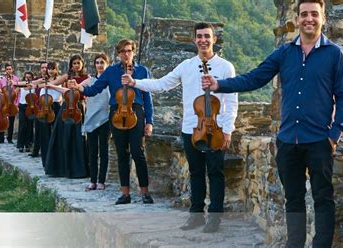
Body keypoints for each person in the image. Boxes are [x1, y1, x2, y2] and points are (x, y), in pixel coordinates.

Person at [201, 0, 343, 246]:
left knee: (323, 198)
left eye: (314, 14)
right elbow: (255, 78)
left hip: (319, 141)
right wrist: (220, 85)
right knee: (293, 198)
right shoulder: (284, 53)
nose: (309, 19)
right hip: (287, 141)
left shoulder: (335, 54)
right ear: (297, 18)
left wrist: (335, 134)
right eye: (304, 14)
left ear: (323, 18)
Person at [122, 22, 238, 233]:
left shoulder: (225, 67)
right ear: (194, 40)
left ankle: (215, 218)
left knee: (215, 172)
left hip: (217, 129)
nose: (203, 40)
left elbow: (231, 101)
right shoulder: (186, 66)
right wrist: (135, 83)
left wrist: (228, 129)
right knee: (195, 173)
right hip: (191, 128)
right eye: (199, 36)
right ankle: (196, 216)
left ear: (214, 40)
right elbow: (162, 84)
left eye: (207, 36)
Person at [72, 39, 154, 205]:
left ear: (133, 52)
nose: (126, 54)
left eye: (129, 51)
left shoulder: (142, 71)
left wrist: (149, 121)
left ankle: (145, 192)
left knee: (138, 153)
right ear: (118, 54)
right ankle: (125, 194)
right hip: (116, 113)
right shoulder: (111, 71)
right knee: (122, 153)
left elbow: (147, 97)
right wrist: (80, 88)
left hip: (136, 112)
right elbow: (95, 89)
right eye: (123, 51)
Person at [44, 55, 88, 178]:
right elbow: (51, 84)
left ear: (82, 64)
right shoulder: (66, 76)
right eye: (74, 63)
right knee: (62, 136)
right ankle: (61, 168)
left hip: (79, 108)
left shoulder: (87, 77)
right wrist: (42, 84)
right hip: (66, 107)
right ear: (71, 65)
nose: (76, 65)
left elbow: (85, 91)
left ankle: (77, 169)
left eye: (78, 63)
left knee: (78, 137)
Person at [83, 53, 111, 191]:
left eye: (102, 62)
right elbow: (75, 88)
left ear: (107, 64)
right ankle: (92, 180)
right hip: (91, 118)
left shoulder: (110, 81)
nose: (99, 65)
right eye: (97, 62)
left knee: (103, 151)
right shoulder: (90, 80)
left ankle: (101, 181)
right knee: (92, 151)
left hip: (105, 119)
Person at [0, 64, 20, 144]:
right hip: (4, 103)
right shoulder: (1, 80)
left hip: (12, 104)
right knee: (2, 121)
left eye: (10, 69)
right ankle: (1, 138)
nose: (8, 70)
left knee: (11, 122)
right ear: (5, 70)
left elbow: (18, 92)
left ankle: (9, 138)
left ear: (12, 70)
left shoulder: (16, 79)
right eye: (7, 69)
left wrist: (16, 103)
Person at [28, 62, 48, 157]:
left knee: (46, 132)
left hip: (47, 109)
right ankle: (35, 151)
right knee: (37, 130)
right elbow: (29, 84)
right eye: (42, 68)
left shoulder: (51, 80)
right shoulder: (37, 79)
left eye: (46, 67)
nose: (44, 69)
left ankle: (45, 152)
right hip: (38, 108)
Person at [16, 71, 35, 153]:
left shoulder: (34, 87)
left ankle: (28, 144)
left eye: (29, 77)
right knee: (22, 125)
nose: (28, 78)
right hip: (22, 106)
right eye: (26, 77)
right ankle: (20, 145)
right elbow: (15, 93)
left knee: (30, 126)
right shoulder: (21, 86)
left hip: (30, 107)